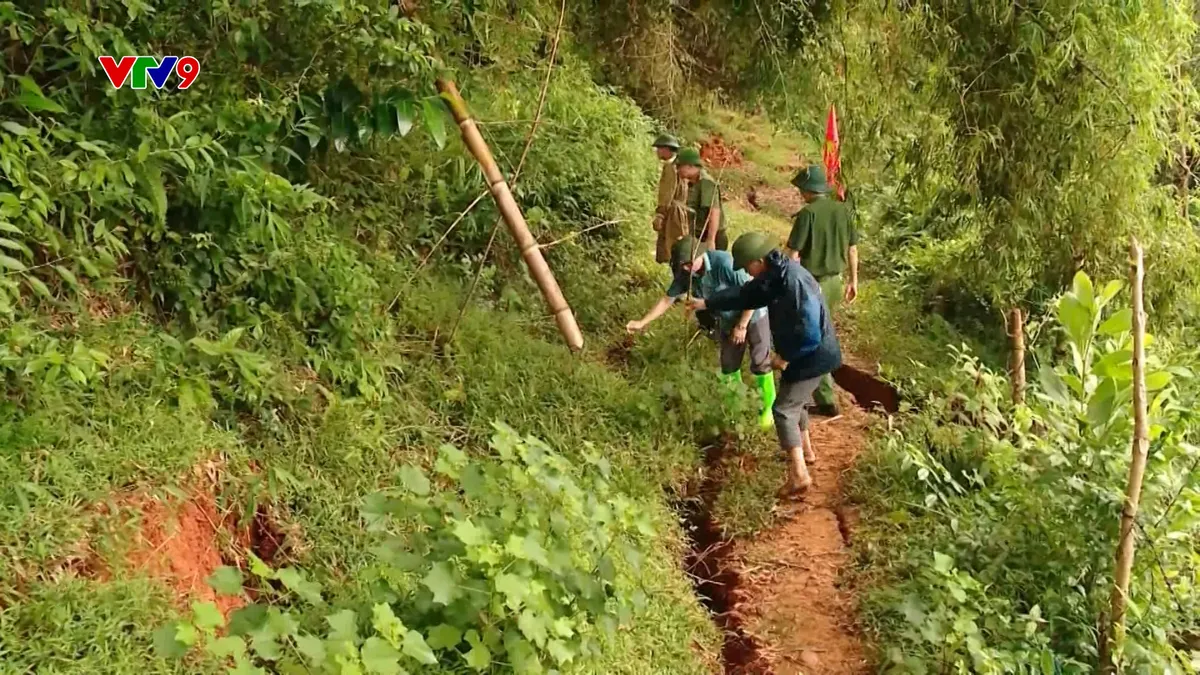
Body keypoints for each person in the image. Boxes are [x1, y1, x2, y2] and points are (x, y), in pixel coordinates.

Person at [688, 232, 842, 497]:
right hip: (807, 354)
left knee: (782, 410)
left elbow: (810, 332)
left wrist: (785, 357)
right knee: (796, 402)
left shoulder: (794, 282)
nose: (747, 272)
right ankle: (807, 452)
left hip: (813, 354)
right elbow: (746, 295)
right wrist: (706, 302)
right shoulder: (775, 276)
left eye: (748, 266)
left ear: (759, 261)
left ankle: (799, 476)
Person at [626, 236, 776, 429]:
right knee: (729, 366)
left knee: (759, 362)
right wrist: (642, 322)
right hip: (726, 319)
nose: (687, 269)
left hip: (753, 315)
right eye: (683, 265)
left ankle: (766, 411)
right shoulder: (686, 272)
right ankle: (733, 411)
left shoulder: (724, 263)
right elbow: (667, 299)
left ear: (700, 254)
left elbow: (753, 294)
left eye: (690, 263)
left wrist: (742, 326)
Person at [786, 164, 858, 417]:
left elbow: (793, 255)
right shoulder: (843, 211)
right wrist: (853, 280)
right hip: (836, 282)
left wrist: (783, 282)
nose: (800, 194)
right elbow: (852, 249)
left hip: (812, 283)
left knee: (812, 338)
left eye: (801, 190)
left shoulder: (807, 214)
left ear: (807, 190)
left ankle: (824, 399)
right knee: (822, 332)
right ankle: (822, 394)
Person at [675, 148, 728, 251]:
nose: (678, 170)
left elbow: (713, 212)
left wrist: (710, 240)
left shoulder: (706, 183)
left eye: (680, 166)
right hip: (697, 235)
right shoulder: (691, 183)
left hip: (709, 236)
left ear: (690, 166)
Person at [651, 134, 688, 264]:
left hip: (672, 213)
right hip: (680, 211)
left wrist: (660, 214)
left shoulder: (670, 167)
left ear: (667, 149)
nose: (657, 151)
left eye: (659, 148)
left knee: (671, 249)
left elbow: (667, 193)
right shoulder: (681, 166)